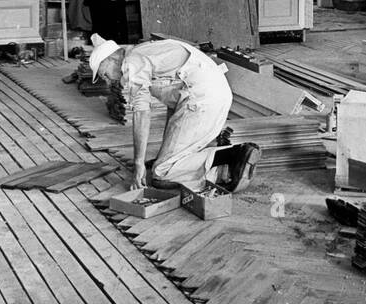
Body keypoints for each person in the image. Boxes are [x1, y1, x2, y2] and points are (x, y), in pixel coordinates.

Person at [88, 34, 260, 194]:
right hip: (213, 95)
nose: (108, 80)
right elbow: (174, 106)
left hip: (202, 101)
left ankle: (232, 157)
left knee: (162, 174)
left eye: (104, 73)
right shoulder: (143, 51)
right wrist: (164, 152)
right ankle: (226, 167)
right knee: (162, 164)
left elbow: (141, 114)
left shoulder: (131, 63)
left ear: (111, 58)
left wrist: (138, 163)